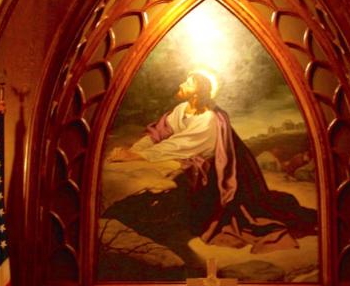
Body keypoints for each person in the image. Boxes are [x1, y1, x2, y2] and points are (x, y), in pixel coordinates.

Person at [105, 70, 316, 264]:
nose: (182, 83)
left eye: (188, 81)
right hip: (180, 155)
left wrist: (137, 156)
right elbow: (157, 135)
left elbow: (179, 147)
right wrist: (132, 151)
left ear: (199, 90)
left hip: (211, 172)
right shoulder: (181, 110)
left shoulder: (210, 120)